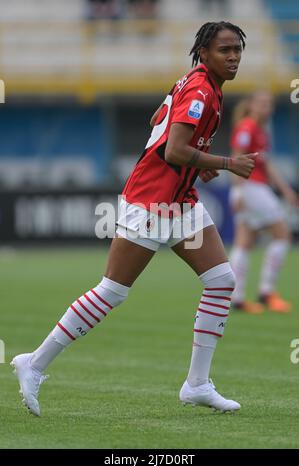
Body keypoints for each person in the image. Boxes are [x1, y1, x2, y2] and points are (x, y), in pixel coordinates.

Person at [11, 21, 256, 417]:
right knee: (112, 291)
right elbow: (174, 150)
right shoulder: (199, 89)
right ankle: (34, 363)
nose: (233, 57)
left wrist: (199, 167)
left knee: (221, 281)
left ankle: (197, 384)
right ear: (204, 53)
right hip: (152, 203)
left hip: (180, 201)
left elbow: (158, 124)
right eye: (224, 50)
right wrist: (225, 163)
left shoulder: (198, 83)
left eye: (237, 50)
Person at [229, 91, 299, 314]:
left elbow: (267, 165)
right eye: (261, 103)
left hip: (253, 188)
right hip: (251, 188)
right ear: (251, 105)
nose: (266, 108)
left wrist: (286, 190)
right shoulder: (247, 127)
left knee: (245, 242)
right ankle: (267, 291)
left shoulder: (259, 130)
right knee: (283, 235)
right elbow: (236, 157)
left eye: (269, 104)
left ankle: (237, 298)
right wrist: (239, 192)